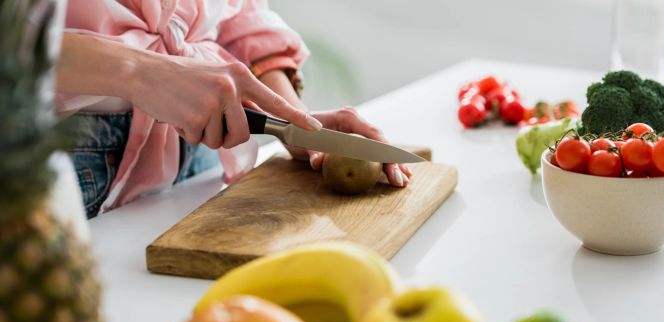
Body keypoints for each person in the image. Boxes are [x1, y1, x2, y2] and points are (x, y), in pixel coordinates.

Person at [56, 0, 412, 218]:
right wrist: (141, 71)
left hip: (204, 156)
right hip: (62, 166)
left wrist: (292, 117)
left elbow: (239, 11)